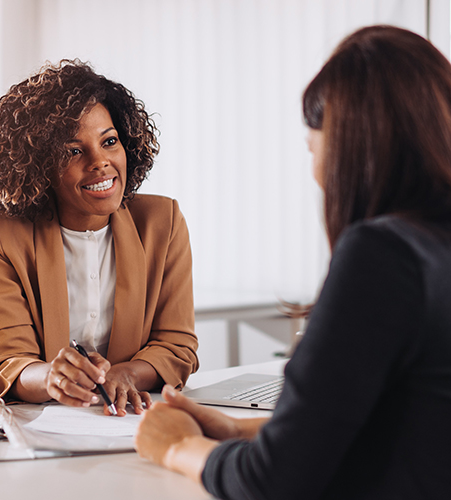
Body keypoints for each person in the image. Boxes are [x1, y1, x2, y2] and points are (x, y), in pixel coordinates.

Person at [135, 25, 451, 498]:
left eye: (312, 146)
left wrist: (179, 447)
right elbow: (408, 425)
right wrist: (241, 431)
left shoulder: (384, 257)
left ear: (349, 146)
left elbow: (275, 482)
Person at [0, 60, 199, 416]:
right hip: (31, 425)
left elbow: (176, 346)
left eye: (109, 142)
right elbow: (7, 360)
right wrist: (51, 378)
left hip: (126, 420)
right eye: (73, 151)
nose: (100, 162)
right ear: (38, 164)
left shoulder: (161, 222)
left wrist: (126, 374)